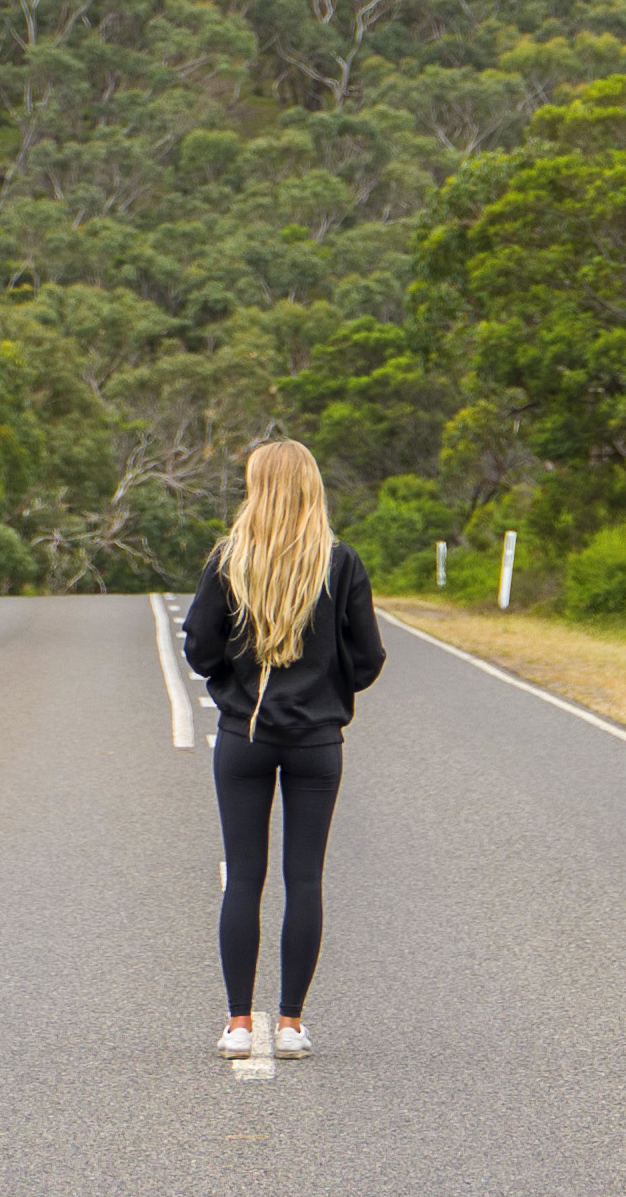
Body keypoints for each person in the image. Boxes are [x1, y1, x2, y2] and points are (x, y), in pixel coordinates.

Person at [181, 436, 385, 1064]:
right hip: (317, 743)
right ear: (312, 486)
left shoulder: (229, 560)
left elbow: (199, 647)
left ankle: (240, 1024)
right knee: (305, 878)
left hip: (244, 737)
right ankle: (292, 1024)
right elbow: (369, 657)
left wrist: (235, 685)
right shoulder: (340, 561)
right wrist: (325, 686)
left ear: (256, 487)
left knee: (243, 876)